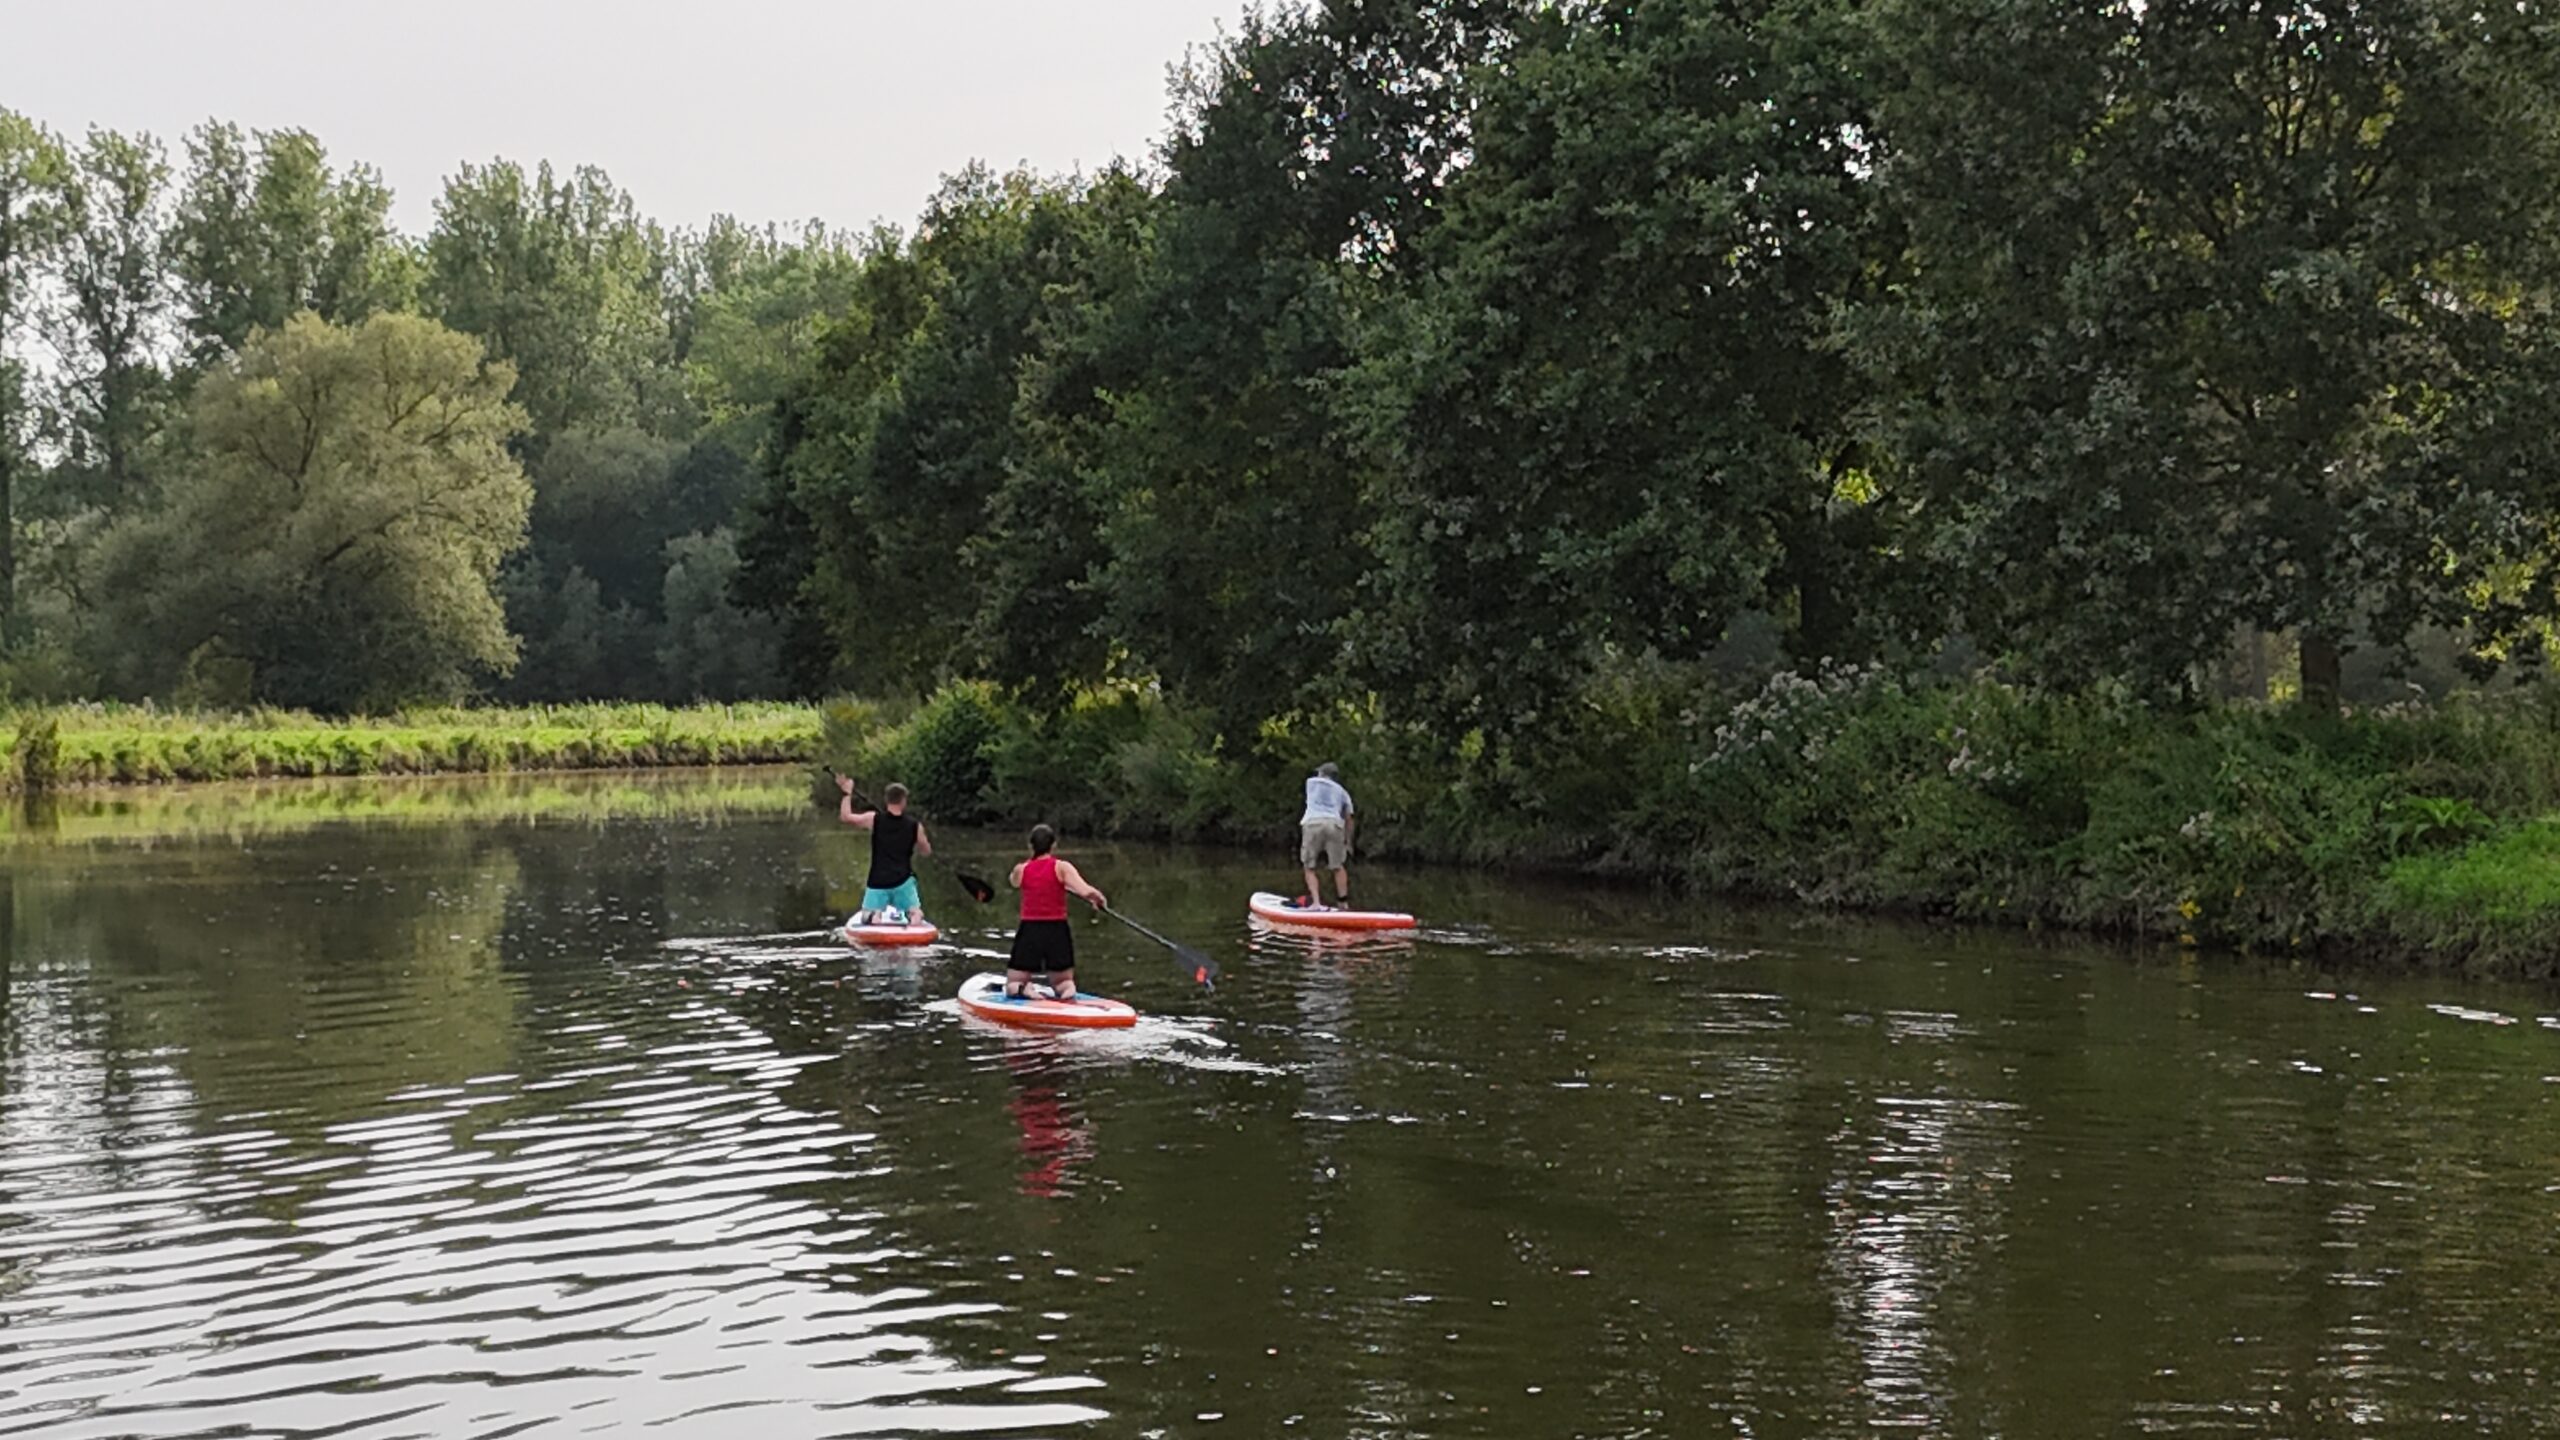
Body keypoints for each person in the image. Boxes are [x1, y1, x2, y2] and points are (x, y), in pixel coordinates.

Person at [1007, 824, 1108, 999]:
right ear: (1053, 845)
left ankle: (1025, 989)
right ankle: (1067, 993)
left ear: (1030, 846)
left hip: (1030, 930)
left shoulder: (1021, 869)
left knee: (1013, 984)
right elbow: (1085, 890)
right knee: (1064, 982)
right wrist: (1097, 899)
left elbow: (1014, 882)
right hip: (1057, 931)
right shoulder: (1062, 867)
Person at [839, 776, 932, 924]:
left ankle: (874, 916)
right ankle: (914, 915)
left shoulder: (874, 819)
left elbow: (845, 817)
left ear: (886, 800)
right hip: (903, 881)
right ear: (903, 801)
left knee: (866, 917)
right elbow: (926, 851)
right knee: (914, 909)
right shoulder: (915, 825)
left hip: (878, 881)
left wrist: (847, 793)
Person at [1298, 761, 1356, 909]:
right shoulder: (1343, 792)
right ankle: (1343, 903)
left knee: (1309, 866)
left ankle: (1316, 903)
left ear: (1322, 774)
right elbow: (1349, 819)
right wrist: (1348, 842)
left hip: (1313, 823)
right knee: (1338, 866)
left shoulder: (1310, 783)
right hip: (1335, 824)